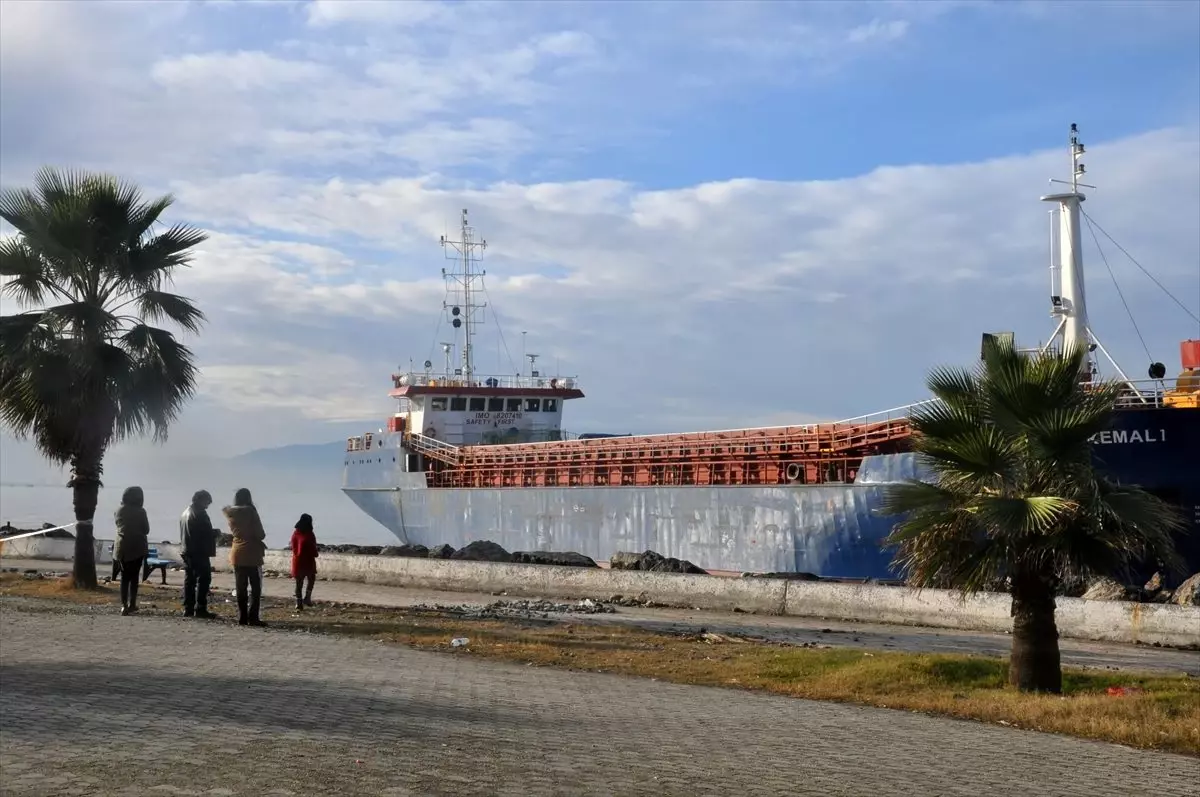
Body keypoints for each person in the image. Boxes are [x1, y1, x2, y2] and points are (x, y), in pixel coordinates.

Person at [223, 488, 267, 627]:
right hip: (252, 553)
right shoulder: (251, 512)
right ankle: (253, 617)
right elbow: (260, 534)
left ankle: (242, 617)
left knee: (240, 587)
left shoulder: (230, 514)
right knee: (255, 587)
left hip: (237, 553)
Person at [179, 489, 217, 619]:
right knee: (204, 579)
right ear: (201, 500)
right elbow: (205, 532)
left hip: (186, 549)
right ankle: (200, 608)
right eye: (207, 502)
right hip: (199, 551)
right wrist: (216, 532)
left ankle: (188, 608)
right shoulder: (200, 513)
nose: (208, 505)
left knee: (189, 580)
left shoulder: (185, 513)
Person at [113, 486, 150, 616]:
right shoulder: (141, 511)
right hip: (137, 547)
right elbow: (146, 530)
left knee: (124, 577)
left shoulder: (118, 510)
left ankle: (123, 605)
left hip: (121, 547)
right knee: (134, 577)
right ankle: (132, 603)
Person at [289, 513, 319, 610]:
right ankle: (306, 598)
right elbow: (312, 547)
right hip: (308, 561)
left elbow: (294, 547)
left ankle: (299, 602)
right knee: (311, 579)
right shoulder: (309, 534)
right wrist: (316, 553)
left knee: (299, 582)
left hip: (298, 561)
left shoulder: (295, 533)